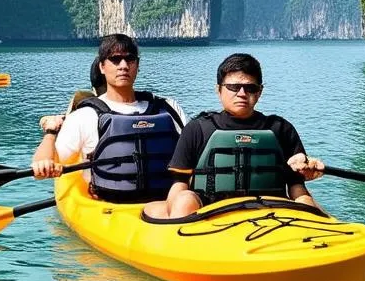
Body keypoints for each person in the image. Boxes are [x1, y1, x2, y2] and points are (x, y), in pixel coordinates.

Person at [143, 52, 325, 220]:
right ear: (219, 90)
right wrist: (171, 215)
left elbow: (296, 187)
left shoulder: (281, 129)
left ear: (260, 91)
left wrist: (308, 194)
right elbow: (180, 182)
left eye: (250, 88)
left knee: (305, 203)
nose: (242, 93)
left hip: (271, 211)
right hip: (211, 210)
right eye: (233, 87)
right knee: (184, 199)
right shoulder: (198, 129)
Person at [32, 34, 186, 202]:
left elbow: (195, 151)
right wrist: (50, 132)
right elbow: (42, 170)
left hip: (168, 202)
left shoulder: (168, 107)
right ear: (102, 67)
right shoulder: (85, 116)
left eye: (130, 59)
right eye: (115, 59)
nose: (123, 66)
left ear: (137, 65)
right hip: (110, 206)